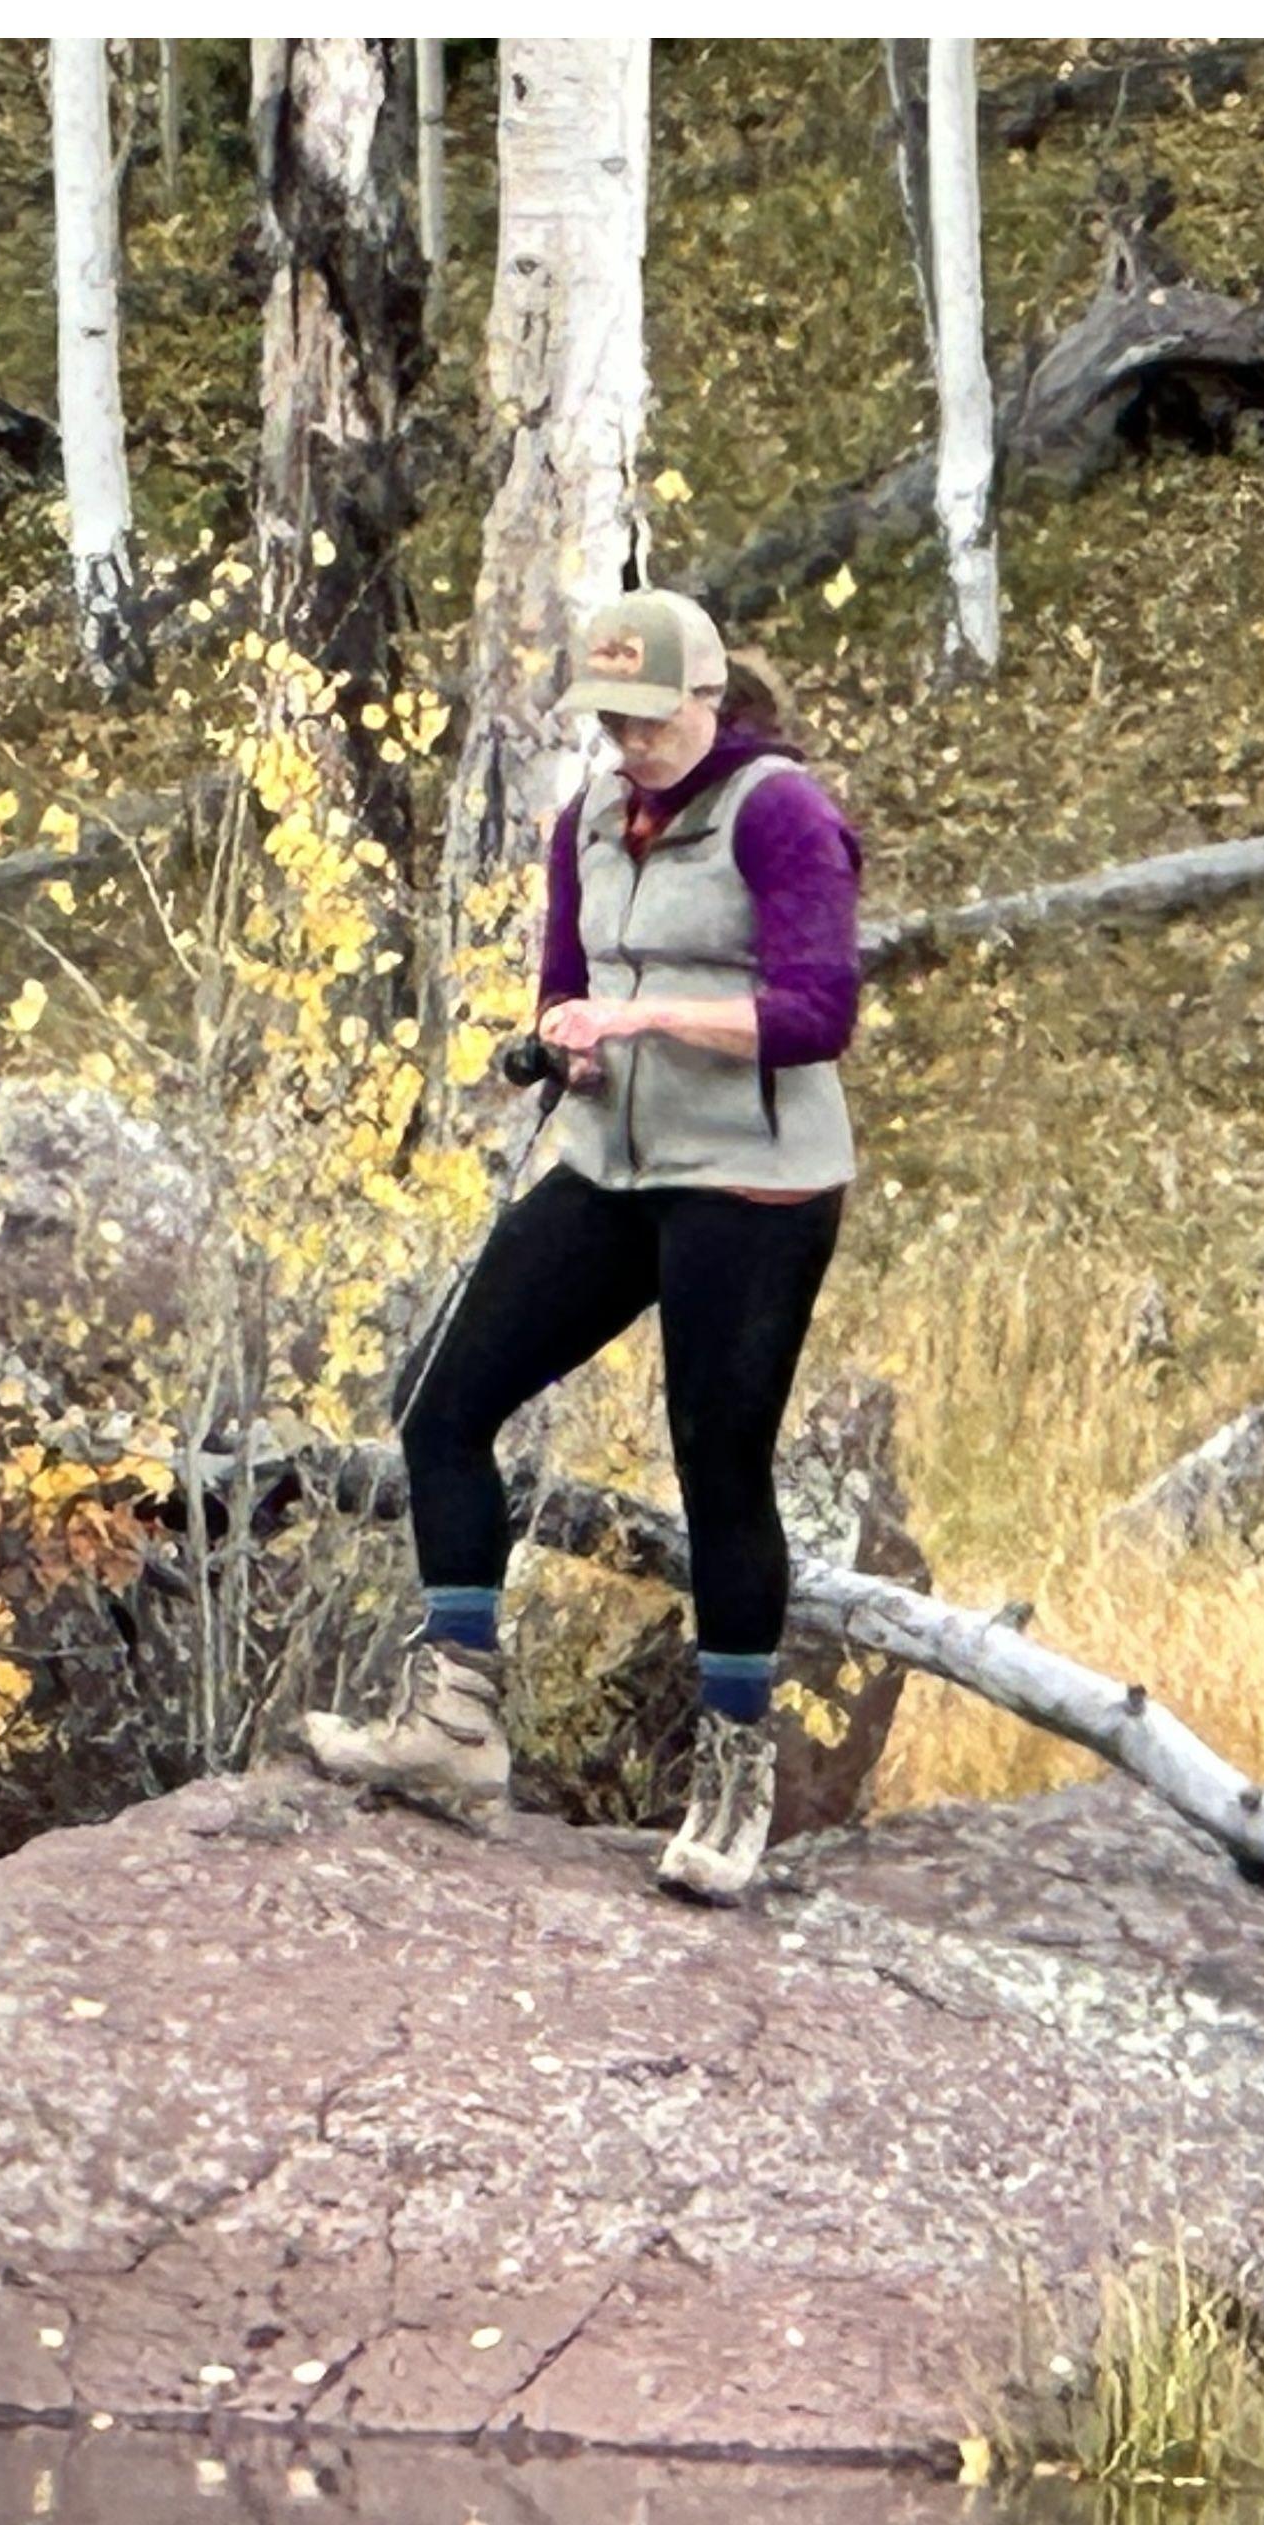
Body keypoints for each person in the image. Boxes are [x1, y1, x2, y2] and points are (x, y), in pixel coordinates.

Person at [306, 586, 857, 1904]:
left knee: (717, 1462)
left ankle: (733, 1780)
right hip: (614, 1165)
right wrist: (559, 1033)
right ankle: (453, 1726)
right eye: (608, 718)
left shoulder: (780, 811)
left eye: (647, 718)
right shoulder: (589, 822)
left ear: (708, 704)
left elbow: (819, 1009)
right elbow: (566, 983)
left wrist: (647, 1017)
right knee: (441, 1403)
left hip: (756, 1183)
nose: (626, 741)